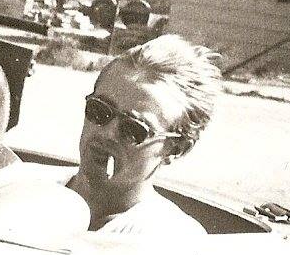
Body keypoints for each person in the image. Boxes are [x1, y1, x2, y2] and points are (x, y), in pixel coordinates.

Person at [68, 34, 221, 235]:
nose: (107, 133)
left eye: (133, 129)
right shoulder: (22, 181)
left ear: (177, 149)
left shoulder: (172, 237)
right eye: (99, 110)